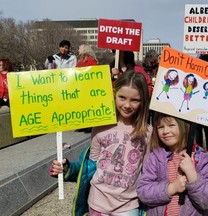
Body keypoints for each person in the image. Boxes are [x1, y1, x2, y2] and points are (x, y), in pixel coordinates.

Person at [50, 70, 151, 216]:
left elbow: (149, 171)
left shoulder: (148, 133)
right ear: (114, 94)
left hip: (129, 206)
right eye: (122, 97)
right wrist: (67, 168)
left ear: (143, 101)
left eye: (135, 100)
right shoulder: (100, 127)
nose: (127, 105)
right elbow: (90, 166)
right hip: (98, 202)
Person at [137, 112, 208, 216]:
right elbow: (143, 192)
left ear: (184, 126)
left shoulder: (202, 160)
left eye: (171, 125)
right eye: (160, 127)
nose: (165, 131)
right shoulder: (155, 157)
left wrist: (192, 175)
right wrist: (171, 188)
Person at [75, 44, 98, 133]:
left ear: (85, 50)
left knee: (88, 106)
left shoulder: (91, 61)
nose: (78, 50)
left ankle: (89, 125)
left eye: (79, 48)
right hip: (81, 87)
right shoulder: (79, 61)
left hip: (88, 87)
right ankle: (83, 124)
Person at [196, 54, 208, 153]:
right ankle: (202, 150)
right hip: (199, 105)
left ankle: (207, 150)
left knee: (206, 130)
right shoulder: (197, 74)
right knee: (199, 130)